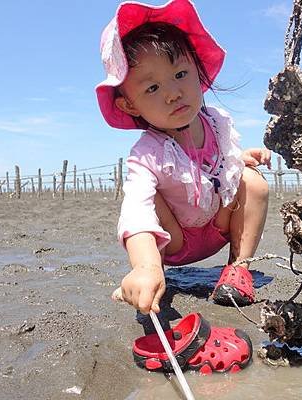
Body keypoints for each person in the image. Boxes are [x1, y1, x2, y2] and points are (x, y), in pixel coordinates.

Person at [96, 0, 271, 316]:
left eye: (180, 73)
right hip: (174, 242)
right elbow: (136, 210)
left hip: (218, 227)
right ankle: (146, 276)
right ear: (129, 105)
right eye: (152, 87)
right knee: (149, 204)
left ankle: (238, 270)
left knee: (252, 182)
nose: (173, 93)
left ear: (197, 69)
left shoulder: (216, 122)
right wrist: (146, 265)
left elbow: (219, 165)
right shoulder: (146, 154)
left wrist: (240, 158)